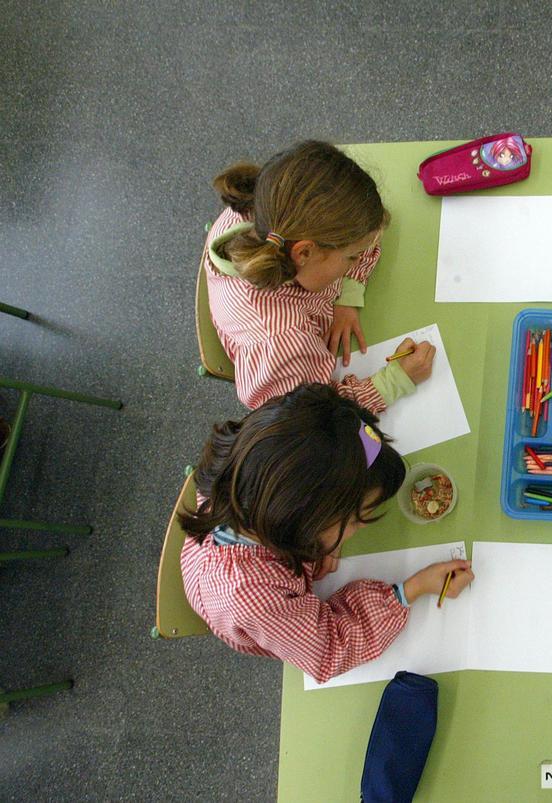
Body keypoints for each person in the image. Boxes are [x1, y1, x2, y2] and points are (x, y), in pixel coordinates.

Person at [179, 383, 473, 683]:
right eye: (358, 520)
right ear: (306, 524)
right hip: (253, 614)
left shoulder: (265, 463)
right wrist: (412, 588)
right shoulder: (253, 598)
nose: (360, 529)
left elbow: (331, 419)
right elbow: (332, 649)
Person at [205, 140, 435, 411]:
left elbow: (366, 235)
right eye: (351, 257)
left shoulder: (269, 208)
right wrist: (395, 381)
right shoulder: (283, 343)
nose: (358, 260)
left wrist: (346, 296)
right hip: (297, 378)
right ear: (304, 254)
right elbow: (313, 418)